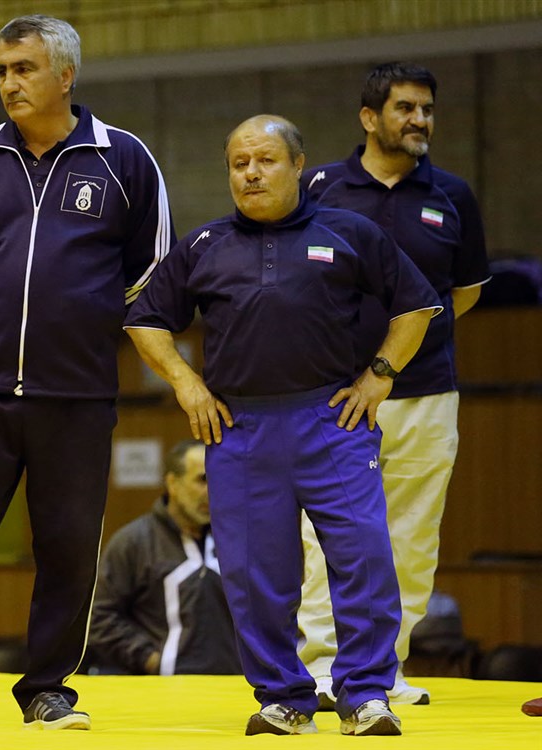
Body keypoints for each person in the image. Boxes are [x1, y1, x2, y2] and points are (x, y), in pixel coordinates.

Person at [124, 114, 441, 736]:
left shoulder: (350, 232)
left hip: (333, 420)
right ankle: (284, 698)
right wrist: (187, 383)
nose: (251, 173)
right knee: (253, 574)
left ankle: (365, 694)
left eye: (265, 160)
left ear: (298, 165)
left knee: (364, 559)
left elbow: (416, 303)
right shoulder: (203, 244)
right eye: (239, 163)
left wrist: (380, 374)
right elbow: (145, 320)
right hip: (239, 429)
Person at [0, 14, 172, 733]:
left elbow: (152, 264)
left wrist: (82, 318)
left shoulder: (124, 158)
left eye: (23, 68)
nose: (9, 83)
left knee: (68, 550)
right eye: (1, 70)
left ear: (66, 74)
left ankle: (48, 688)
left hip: (77, 393)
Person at [298, 62, 491, 708]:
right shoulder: (320, 186)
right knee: (327, 536)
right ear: (369, 117)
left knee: (411, 536)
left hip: (426, 391)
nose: (420, 120)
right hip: (333, 392)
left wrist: (398, 355)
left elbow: (462, 294)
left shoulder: (453, 195)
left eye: (427, 109)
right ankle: (323, 667)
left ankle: (384, 668)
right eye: (405, 108)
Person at [88, 440, 240, 676]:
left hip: (234, 686)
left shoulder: (237, 540)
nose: (212, 491)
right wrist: (151, 660)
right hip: (163, 689)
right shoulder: (133, 542)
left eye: (219, 479)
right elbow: (99, 618)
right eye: (203, 480)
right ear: (172, 483)